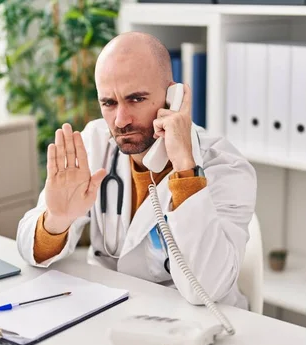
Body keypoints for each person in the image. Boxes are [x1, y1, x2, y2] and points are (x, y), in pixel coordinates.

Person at [16, 31, 257, 310]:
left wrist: (184, 168)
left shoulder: (225, 168)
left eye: (136, 99)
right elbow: (27, 250)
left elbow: (206, 291)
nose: (120, 120)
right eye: (108, 103)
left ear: (172, 97)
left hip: (195, 324)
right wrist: (56, 220)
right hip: (112, 313)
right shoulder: (94, 144)